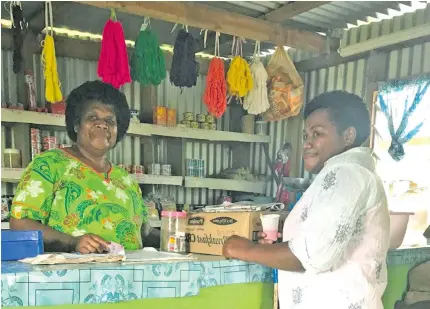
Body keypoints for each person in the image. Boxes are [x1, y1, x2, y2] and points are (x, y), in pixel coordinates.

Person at [223, 91, 390, 309]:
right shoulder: (350, 174)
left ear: (348, 136)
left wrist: (244, 249)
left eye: (317, 134)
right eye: (305, 136)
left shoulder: (347, 173)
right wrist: (285, 242)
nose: (307, 144)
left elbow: (312, 255)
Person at [10, 80, 154, 254]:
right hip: (72, 278)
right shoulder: (50, 165)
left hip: (130, 277)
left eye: (110, 120)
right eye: (93, 117)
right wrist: (72, 242)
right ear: (77, 124)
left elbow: (143, 231)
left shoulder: (125, 179)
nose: (103, 124)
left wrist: (186, 231)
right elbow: (20, 224)